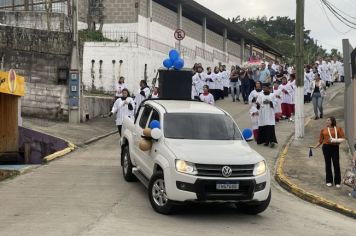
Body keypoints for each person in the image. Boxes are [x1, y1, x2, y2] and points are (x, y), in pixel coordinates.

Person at [312, 117, 345, 187]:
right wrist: (315, 146)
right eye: (326, 120)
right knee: (328, 164)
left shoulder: (338, 129)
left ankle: (337, 182)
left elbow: (342, 138)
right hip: (326, 148)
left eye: (328, 120)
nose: (326, 121)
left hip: (335, 147)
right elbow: (320, 141)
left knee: (336, 164)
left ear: (332, 121)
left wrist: (335, 140)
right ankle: (329, 180)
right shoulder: (323, 130)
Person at [256, 83, 278, 147]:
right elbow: (258, 103)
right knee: (263, 126)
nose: (264, 89)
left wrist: (270, 102)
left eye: (265, 87)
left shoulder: (272, 95)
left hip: (269, 113)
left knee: (270, 126)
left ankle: (271, 141)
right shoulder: (260, 95)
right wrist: (258, 104)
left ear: (269, 88)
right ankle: (265, 141)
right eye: (263, 87)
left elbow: (276, 103)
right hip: (263, 113)